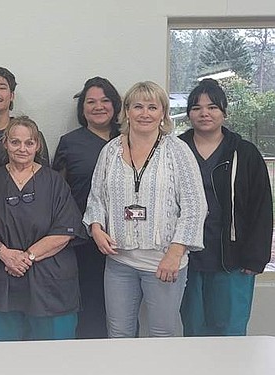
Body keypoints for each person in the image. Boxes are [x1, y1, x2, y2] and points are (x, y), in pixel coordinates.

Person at [83, 81, 207, 338]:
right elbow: (96, 198)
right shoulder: (110, 151)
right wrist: (96, 228)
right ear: (127, 111)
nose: (145, 113)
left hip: (163, 261)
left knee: (162, 335)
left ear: (163, 113)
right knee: (118, 334)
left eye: (153, 107)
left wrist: (175, 253)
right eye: (138, 106)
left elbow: (195, 205)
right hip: (119, 262)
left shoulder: (177, 151)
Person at [179, 78, 273, 336]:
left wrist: (256, 257)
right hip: (187, 258)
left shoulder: (245, 152)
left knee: (229, 332)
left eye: (212, 107)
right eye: (197, 107)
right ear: (189, 114)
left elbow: (261, 208)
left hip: (233, 258)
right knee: (193, 330)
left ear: (224, 112)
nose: (204, 113)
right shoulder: (176, 150)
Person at [0, 116, 83, 341]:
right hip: (4, 277)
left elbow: (65, 231)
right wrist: (4, 254)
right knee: (5, 356)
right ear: (5, 143)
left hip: (50, 278)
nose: (22, 148)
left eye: (29, 143)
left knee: (55, 357)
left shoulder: (54, 181)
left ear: (37, 145)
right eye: (15, 142)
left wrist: (25, 258)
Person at [52, 77, 122, 339]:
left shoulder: (131, 139)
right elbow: (58, 194)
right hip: (83, 243)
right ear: (82, 109)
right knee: (89, 308)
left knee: (123, 314)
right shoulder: (69, 143)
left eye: (105, 100)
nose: (98, 107)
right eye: (90, 102)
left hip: (125, 241)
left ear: (115, 105)